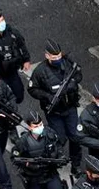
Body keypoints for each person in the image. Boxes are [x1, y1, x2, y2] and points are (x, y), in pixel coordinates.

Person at [11, 111, 72, 189]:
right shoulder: (23, 141)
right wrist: (29, 165)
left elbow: (58, 147)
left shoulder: (50, 134)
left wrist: (59, 158)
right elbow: (15, 158)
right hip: (34, 178)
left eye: (40, 124)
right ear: (29, 127)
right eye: (35, 125)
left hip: (50, 175)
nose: (39, 127)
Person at [28, 39, 83, 174]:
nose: (58, 59)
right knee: (59, 138)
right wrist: (47, 96)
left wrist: (71, 85)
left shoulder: (67, 63)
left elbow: (78, 75)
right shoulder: (40, 71)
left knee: (76, 137)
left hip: (70, 107)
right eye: (54, 57)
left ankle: (76, 164)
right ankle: (53, 158)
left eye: (59, 56)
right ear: (47, 55)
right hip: (54, 112)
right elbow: (32, 89)